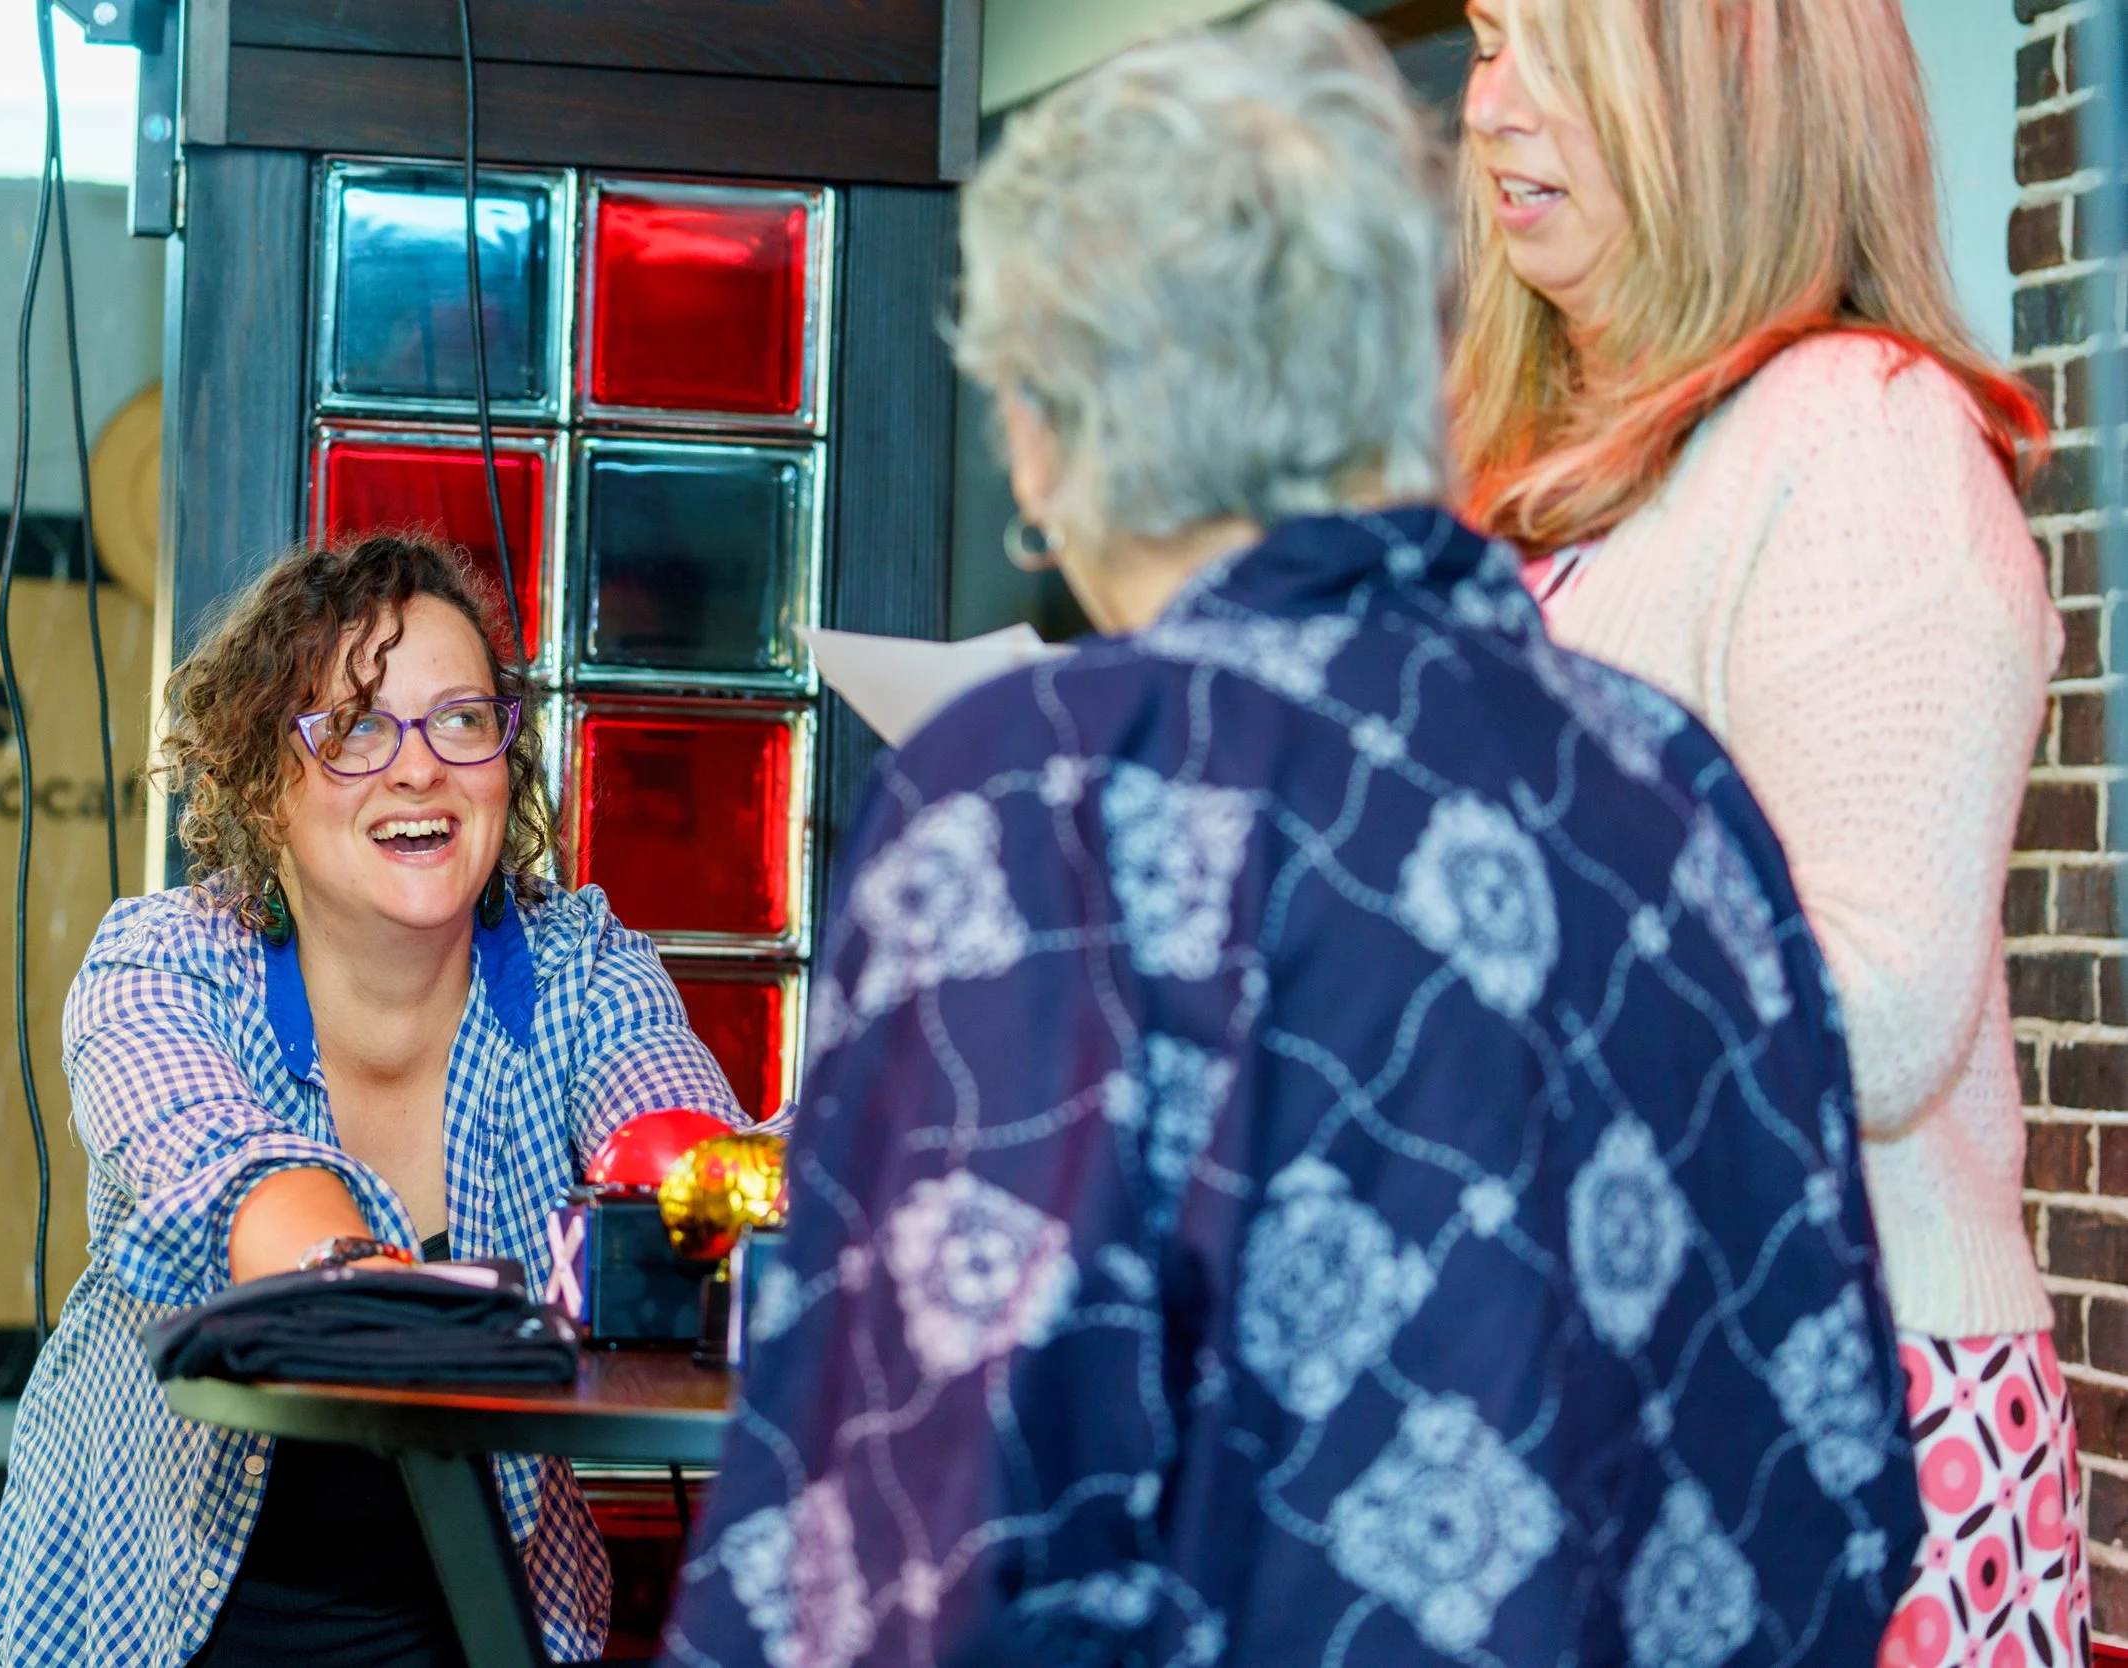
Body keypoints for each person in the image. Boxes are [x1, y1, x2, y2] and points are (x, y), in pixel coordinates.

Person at [667, 6, 1920, 1665]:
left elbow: (898, 1551)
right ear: (1407, 372)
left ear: (1044, 430)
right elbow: (1832, 1486)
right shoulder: (1675, 792)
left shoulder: (1049, 802)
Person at [1450, 2, 2086, 1659]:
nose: (1492, 108)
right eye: (1484, 43)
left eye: (1551, 52)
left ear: (1724, 93)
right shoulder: (1562, 481)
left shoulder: (1861, 437)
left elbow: (1869, 1008)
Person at [0, 534, 746, 1666]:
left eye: (462, 720)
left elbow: (681, 1143)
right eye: (353, 730)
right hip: (150, 1616)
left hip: (481, 1615)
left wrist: (710, 1190)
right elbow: (231, 1178)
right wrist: (382, 1284)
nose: (419, 768)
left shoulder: (578, 961)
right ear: (259, 784)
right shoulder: (163, 964)